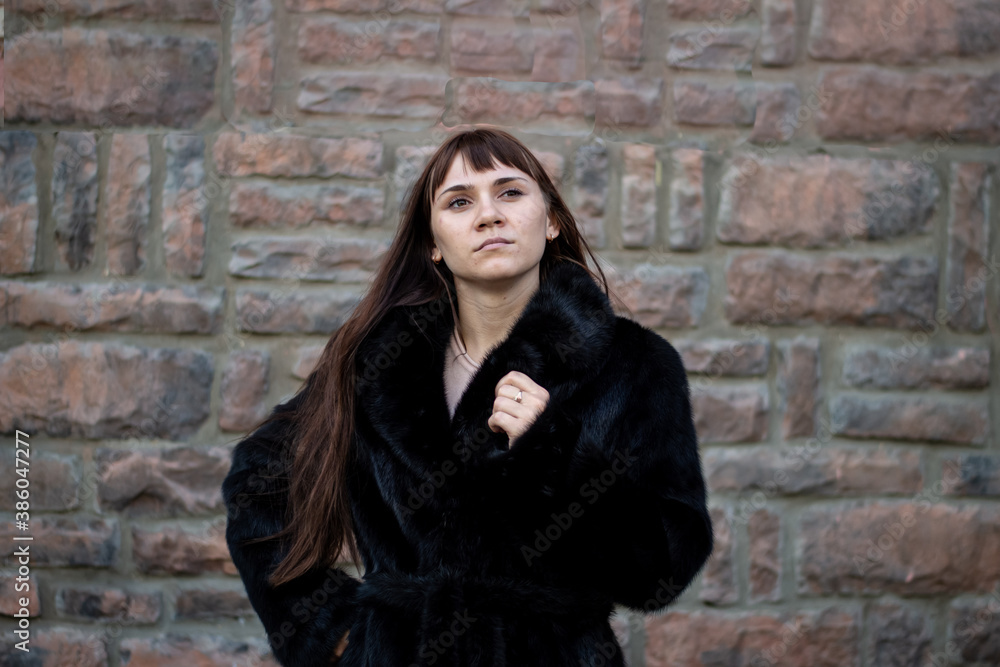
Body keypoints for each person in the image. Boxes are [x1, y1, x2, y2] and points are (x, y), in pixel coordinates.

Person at [221, 126, 714, 666]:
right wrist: (333, 631)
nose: (488, 214)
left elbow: (662, 570)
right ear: (433, 242)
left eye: (510, 192)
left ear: (551, 221)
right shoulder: (374, 365)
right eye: (459, 201)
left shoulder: (634, 365)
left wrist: (556, 450)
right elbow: (258, 480)